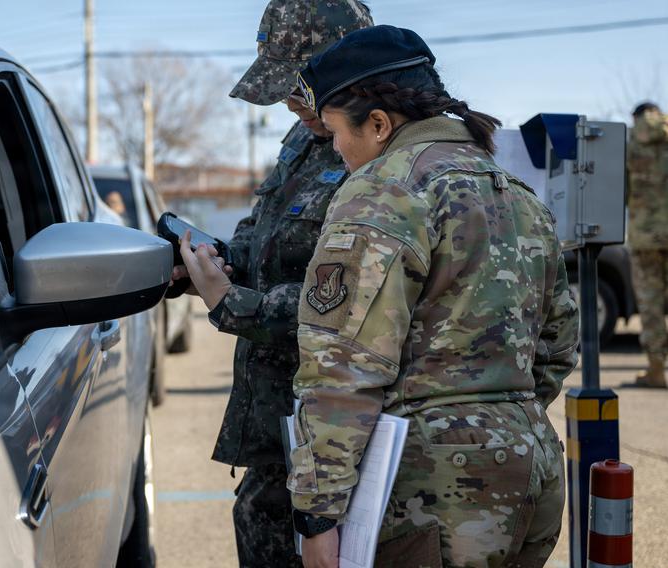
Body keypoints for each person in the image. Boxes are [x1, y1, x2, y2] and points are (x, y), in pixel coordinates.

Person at [278, 25, 578, 567]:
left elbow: (342, 367)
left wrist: (317, 513)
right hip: (531, 470)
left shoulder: (385, 190)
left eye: (335, 132)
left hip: (433, 487)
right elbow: (557, 343)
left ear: (377, 124)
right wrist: (496, 418)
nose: (337, 151)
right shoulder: (515, 191)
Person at [172, 1, 372, 565]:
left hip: (333, 452)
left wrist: (234, 304)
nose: (290, 103)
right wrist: (214, 261)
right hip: (275, 436)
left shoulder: (380, 156)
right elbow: (264, 235)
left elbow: (355, 310)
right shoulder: (306, 138)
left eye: (299, 88)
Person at [626, 102, 668, 388]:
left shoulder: (628, 142)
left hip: (644, 236)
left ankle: (656, 369)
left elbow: (622, 190)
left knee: (651, 304)